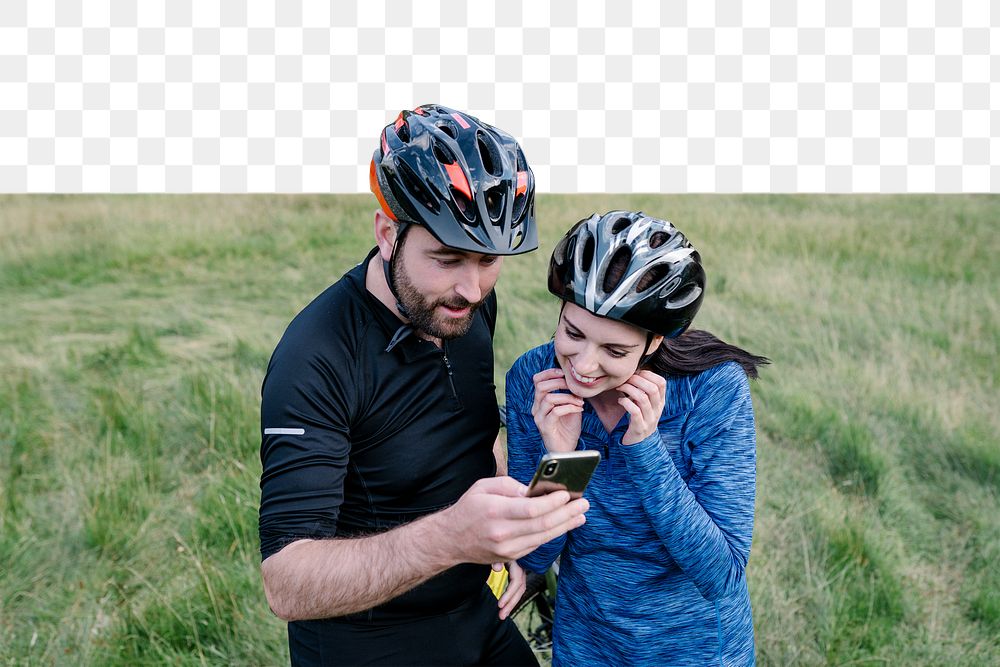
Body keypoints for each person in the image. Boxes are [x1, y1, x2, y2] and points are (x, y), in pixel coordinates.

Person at [257, 104, 589, 666]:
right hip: (370, 644)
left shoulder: (460, 305)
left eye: (489, 260)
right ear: (388, 233)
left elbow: (471, 427)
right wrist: (453, 537)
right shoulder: (316, 357)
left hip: (477, 613)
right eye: (447, 258)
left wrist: (502, 524)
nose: (473, 286)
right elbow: (285, 584)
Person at [505, 210, 769, 665]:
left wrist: (646, 450)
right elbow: (535, 554)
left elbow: (721, 572)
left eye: (615, 350)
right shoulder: (536, 379)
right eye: (573, 333)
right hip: (586, 645)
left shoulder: (713, 390)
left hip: (697, 650)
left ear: (656, 342)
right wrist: (561, 459)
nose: (584, 366)